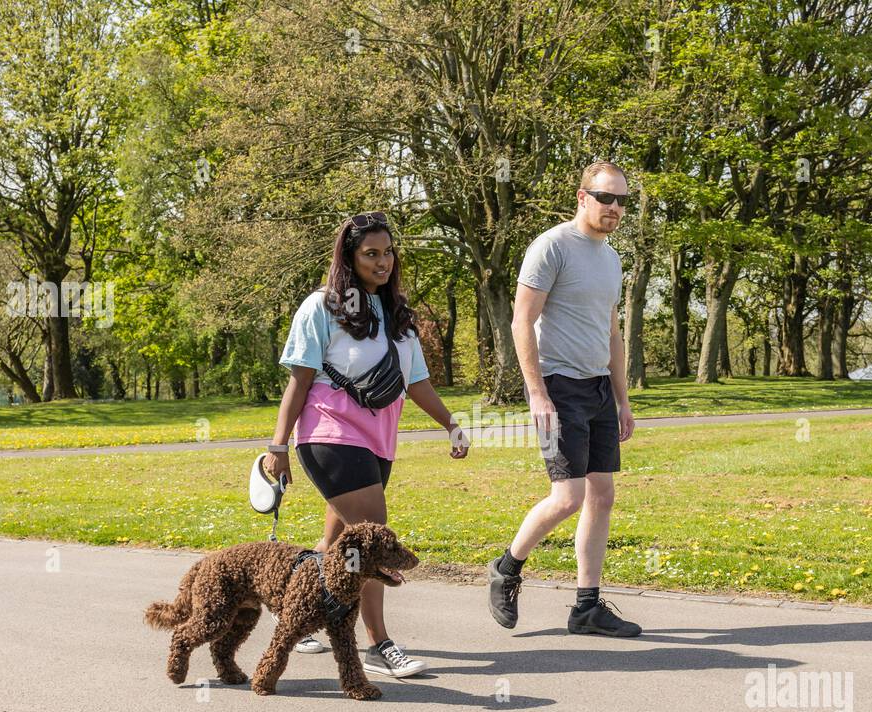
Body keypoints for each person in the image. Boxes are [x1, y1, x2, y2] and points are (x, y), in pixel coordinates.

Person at [266, 210, 469, 675]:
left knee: (339, 541)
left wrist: (450, 424)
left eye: (388, 252)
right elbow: (299, 380)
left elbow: (416, 382)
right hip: (327, 430)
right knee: (373, 538)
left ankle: (291, 610)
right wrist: (277, 446)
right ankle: (378, 644)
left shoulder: (398, 315)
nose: (382, 262)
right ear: (350, 257)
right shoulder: (321, 306)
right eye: (370, 254)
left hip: (379, 438)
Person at [487, 161, 641, 637]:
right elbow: (520, 321)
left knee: (601, 495)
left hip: (597, 389)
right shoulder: (551, 247)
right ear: (582, 197)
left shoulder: (611, 258)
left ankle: (586, 608)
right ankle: (507, 568)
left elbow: (613, 333)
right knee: (568, 496)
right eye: (605, 198)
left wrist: (622, 399)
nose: (614, 208)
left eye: (622, 201)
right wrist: (536, 393)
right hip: (559, 389)